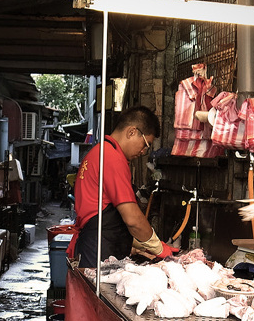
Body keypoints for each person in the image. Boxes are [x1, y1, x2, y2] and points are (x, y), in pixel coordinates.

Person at [68, 105, 178, 268]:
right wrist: (159, 248)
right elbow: (132, 219)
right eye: (145, 144)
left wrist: (141, 244)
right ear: (132, 132)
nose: (143, 152)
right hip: (99, 250)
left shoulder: (101, 151)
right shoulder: (111, 158)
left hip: (97, 242)